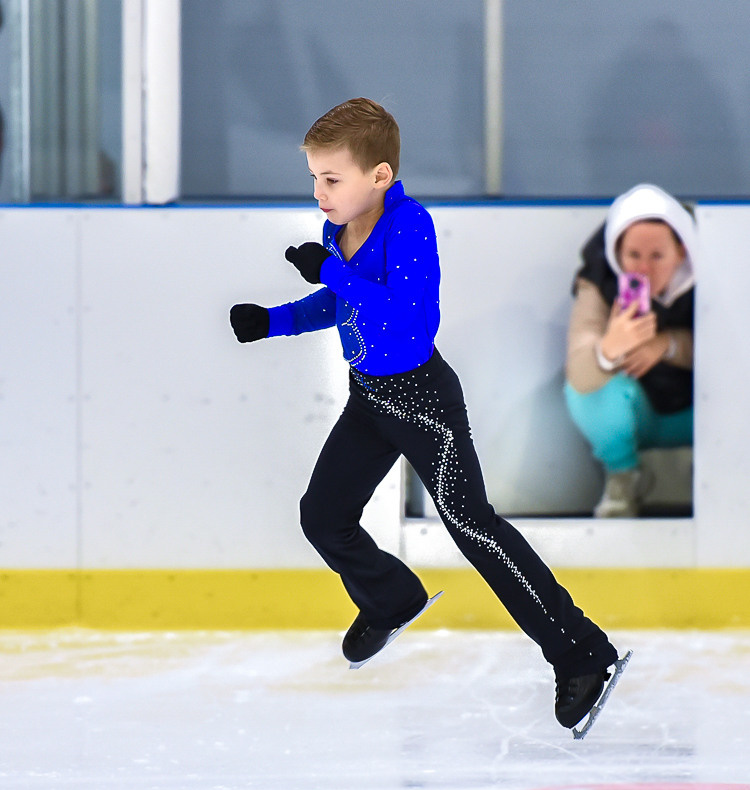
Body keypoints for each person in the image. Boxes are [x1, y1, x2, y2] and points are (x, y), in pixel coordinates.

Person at [230, 98, 624, 732]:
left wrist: (334, 270)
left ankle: (583, 653)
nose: (319, 193)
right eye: (314, 179)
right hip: (371, 400)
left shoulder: (410, 226)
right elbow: (342, 305)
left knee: (475, 529)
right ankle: (389, 596)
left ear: (379, 175)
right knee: (323, 516)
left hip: (423, 403)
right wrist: (274, 321)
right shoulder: (341, 229)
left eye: (331, 179)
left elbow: (407, 323)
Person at [564, 184, 696, 517]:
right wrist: (608, 349)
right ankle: (623, 479)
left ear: (682, 252)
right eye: (633, 256)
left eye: (657, 256)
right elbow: (579, 376)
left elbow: (734, 355)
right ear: (615, 254)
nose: (644, 270)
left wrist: (668, 346)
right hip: (640, 410)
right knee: (588, 392)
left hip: (703, 410)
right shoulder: (598, 283)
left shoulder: (716, 277)